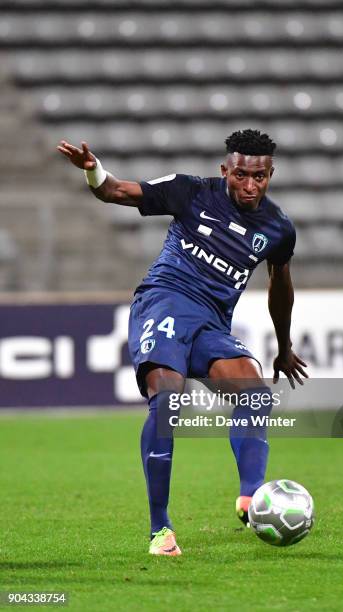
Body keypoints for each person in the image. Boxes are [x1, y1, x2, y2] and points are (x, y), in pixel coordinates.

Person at [58, 128, 308, 556]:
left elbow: (280, 286)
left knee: (255, 394)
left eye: (261, 177)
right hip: (164, 301)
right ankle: (161, 529)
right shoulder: (190, 192)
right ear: (225, 170)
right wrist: (93, 171)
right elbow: (117, 191)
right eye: (242, 175)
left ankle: (251, 498)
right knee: (167, 402)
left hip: (211, 325)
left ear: (271, 174)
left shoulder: (278, 228)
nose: (251, 185)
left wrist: (283, 347)